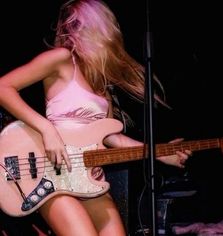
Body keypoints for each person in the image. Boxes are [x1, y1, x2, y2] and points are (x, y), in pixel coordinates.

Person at [0, 0, 191, 235]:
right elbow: (3, 87)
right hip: (52, 178)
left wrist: (159, 153)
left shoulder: (101, 85)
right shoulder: (61, 59)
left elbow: (112, 138)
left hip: (89, 180)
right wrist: (46, 129)